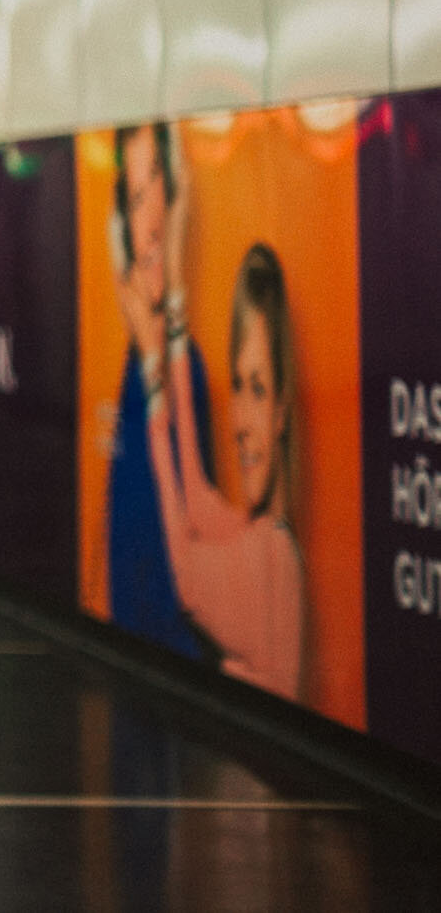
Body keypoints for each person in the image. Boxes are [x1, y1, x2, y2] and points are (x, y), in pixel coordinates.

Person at [148, 242, 305, 700]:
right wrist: (175, 322)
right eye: (236, 386)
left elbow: (186, 577)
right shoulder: (270, 538)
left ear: (282, 411)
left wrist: (153, 383)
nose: (238, 421)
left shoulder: (270, 554)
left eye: (257, 389)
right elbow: (196, 497)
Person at [104, 122, 215, 661]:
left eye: (160, 190)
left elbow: (188, 586)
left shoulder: (184, 370)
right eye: (134, 197)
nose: (149, 222)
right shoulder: (135, 374)